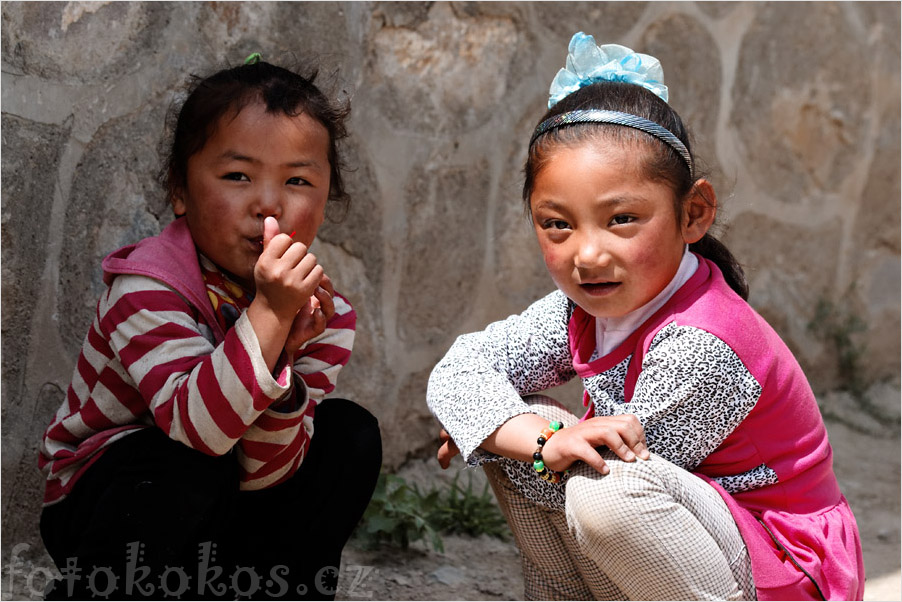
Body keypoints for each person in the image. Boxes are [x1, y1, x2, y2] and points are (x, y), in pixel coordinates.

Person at [427, 33, 864, 601]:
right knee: (533, 428)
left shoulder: (706, 344)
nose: (588, 255)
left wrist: (495, 434)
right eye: (557, 223)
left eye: (622, 219)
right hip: (694, 540)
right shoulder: (578, 308)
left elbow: (606, 470)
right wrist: (523, 435)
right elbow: (458, 370)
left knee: (596, 483)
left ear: (694, 213)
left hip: (781, 565)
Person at [38, 55, 381, 600]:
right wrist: (267, 317)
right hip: (112, 512)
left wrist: (283, 362)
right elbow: (197, 430)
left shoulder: (325, 316)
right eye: (237, 176)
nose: (268, 203)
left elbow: (266, 476)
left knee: (349, 435)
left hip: (229, 508)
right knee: (194, 464)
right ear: (180, 190)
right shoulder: (148, 287)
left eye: (297, 180)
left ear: (325, 201)